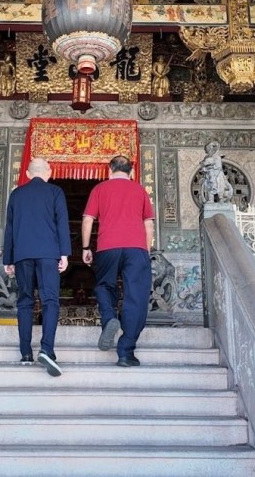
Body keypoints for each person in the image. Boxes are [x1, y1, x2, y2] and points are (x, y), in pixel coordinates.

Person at [81, 155, 155, 367]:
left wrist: (86, 247)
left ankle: (109, 319)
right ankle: (126, 351)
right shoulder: (140, 190)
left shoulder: (100, 189)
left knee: (105, 285)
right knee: (136, 296)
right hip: (136, 248)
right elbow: (148, 224)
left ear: (109, 170)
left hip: (107, 247)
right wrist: (145, 251)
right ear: (131, 172)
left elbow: (88, 219)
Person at [3, 157, 70, 376]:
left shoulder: (16, 194)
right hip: (49, 254)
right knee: (50, 300)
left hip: (22, 254)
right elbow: (62, 223)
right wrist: (65, 254)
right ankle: (47, 349)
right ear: (49, 172)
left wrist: (8, 259)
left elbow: (10, 228)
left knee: (25, 302)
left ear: (29, 173)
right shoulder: (55, 192)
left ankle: (25, 353)